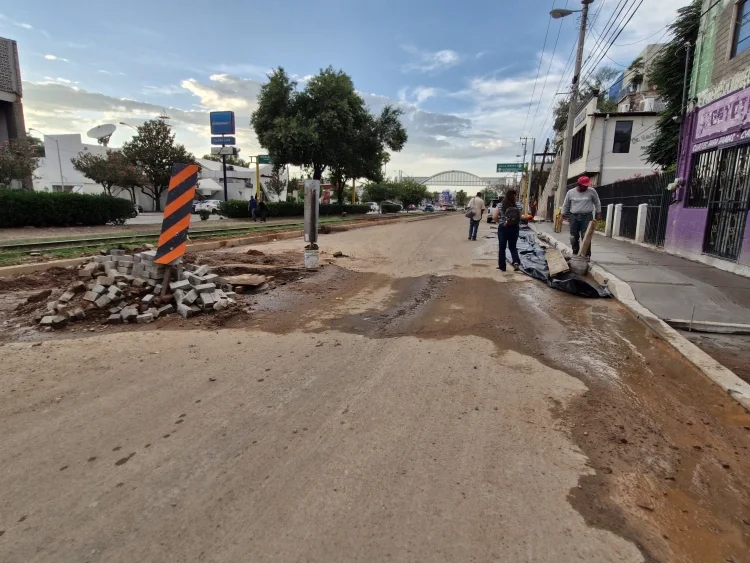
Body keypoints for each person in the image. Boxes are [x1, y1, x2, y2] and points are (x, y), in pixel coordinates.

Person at [562, 176, 602, 257]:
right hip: (574, 217)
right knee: (573, 237)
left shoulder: (592, 191)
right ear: (579, 184)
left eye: (587, 185)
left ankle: (586, 255)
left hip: (587, 217)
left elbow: (597, 202)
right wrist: (562, 214)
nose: (586, 187)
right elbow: (566, 204)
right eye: (585, 185)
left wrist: (599, 212)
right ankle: (575, 253)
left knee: (586, 236)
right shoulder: (570, 192)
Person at [493, 190, 521, 272]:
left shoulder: (500, 204)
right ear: (514, 196)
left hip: (503, 228)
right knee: (513, 246)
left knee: (502, 247)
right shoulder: (518, 205)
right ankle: (516, 262)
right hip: (514, 228)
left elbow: (494, 216)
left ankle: (502, 266)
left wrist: (500, 222)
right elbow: (520, 216)